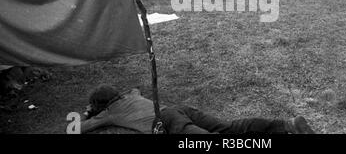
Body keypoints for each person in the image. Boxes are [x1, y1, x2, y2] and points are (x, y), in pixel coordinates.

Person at [77, 85, 315, 134]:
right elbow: (137, 90)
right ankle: (288, 125)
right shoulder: (131, 95)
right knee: (229, 128)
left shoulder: (110, 112)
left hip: (167, 122)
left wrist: (88, 113)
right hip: (177, 110)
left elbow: (75, 129)